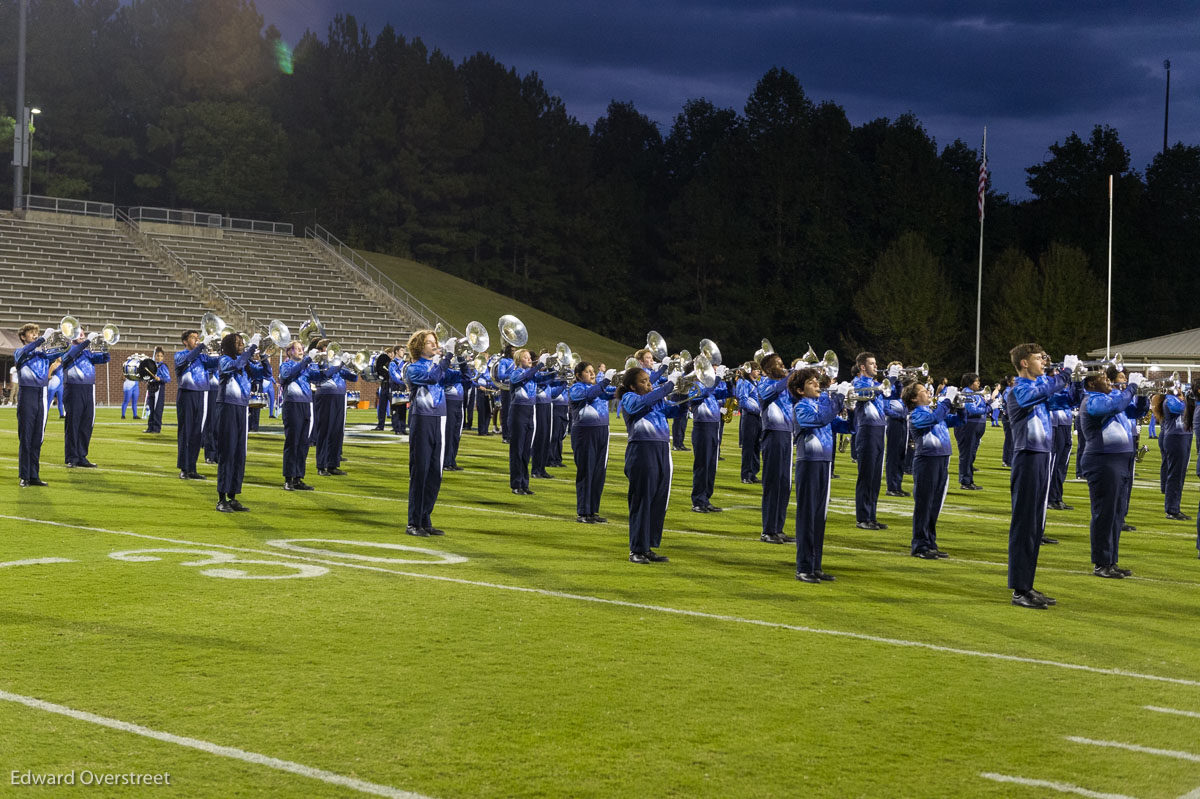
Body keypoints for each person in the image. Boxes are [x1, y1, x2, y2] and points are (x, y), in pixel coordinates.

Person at [1005, 344, 1074, 609]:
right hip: (1027, 457)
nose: (1043, 362)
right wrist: (1064, 374)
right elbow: (1038, 393)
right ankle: (1019, 590)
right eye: (1037, 358)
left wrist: (1076, 381)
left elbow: (1066, 400)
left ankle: (1027, 585)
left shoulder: (1040, 389)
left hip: (1042, 457)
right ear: (1024, 364)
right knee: (1024, 524)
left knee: (1035, 525)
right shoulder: (1019, 389)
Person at [1077, 368, 1142, 578]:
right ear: (1090, 385)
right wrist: (1131, 387)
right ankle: (1101, 563)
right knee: (1104, 514)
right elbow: (1116, 405)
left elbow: (1136, 412)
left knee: (1116, 514)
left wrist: (1141, 394)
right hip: (1103, 461)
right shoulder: (1092, 401)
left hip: (1119, 461)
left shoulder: (1110, 398)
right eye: (1103, 379)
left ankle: (1111, 561)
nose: (1108, 382)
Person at [790, 367, 848, 582]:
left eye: (817, 382)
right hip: (809, 464)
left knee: (819, 517)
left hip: (824, 463)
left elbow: (846, 426)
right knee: (807, 516)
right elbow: (820, 419)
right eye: (812, 383)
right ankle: (803, 567)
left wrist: (854, 408)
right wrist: (837, 399)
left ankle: (816, 565)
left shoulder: (819, 405)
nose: (817, 385)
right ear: (800, 390)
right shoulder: (800, 407)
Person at [617, 365, 680, 564]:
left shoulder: (656, 399)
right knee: (642, 500)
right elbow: (639, 405)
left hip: (661, 449)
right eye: (643, 381)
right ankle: (636, 549)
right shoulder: (630, 398)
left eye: (649, 381)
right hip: (641, 451)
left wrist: (686, 395)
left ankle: (648, 546)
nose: (648, 384)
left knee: (657, 500)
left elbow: (675, 411)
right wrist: (669, 385)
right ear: (632, 386)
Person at [405, 328, 457, 536]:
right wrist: (447, 357)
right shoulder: (413, 368)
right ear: (419, 346)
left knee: (436, 472)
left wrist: (460, 359)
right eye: (429, 342)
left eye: (435, 341)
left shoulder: (437, 365)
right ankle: (413, 523)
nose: (434, 345)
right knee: (421, 471)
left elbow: (462, 378)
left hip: (440, 419)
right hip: (423, 419)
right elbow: (433, 377)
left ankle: (425, 519)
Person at [905, 382, 961, 559]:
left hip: (941, 461)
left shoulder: (932, 411)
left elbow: (959, 420)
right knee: (924, 505)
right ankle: (919, 545)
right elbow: (933, 420)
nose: (928, 392)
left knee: (935, 505)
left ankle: (930, 542)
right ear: (914, 398)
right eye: (923, 391)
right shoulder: (915, 415)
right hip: (927, 462)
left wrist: (960, 407)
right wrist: (946, 402)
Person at [214, 331, 264, 511]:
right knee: (227, 453)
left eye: (242, 342)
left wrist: (263, 356)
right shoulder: (224, 360)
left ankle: (233, 496)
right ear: (229, 345)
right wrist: (251, 349)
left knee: (239, 454)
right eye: (238, 342)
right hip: (227, 407)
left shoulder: (245, 362)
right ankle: (221, 499)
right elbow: (236, 364)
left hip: (242, 409)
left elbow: (264, 373)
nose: (242, 344)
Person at [14, 323, 65, 486]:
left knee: (38, 438)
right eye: (31, 333)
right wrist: (42, 339)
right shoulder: (19, 352)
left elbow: (64, 350)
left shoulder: (44, 355)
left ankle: (34, 475)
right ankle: (24, 476)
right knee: (26, 437)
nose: (35, 335)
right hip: (27, 395)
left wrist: (61, 337)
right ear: (23, 337)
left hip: (42, 396)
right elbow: (24, 352)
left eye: (37, 333)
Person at [568, 361, 615, 523]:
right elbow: (589, 395)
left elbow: (615, 392)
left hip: (602, 431)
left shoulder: (600, 388)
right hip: (584, 432)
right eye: (588, 372)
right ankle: (583, 512)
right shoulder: (576, 388)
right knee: (586, 471)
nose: (592, 374)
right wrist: (606, 381)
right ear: (578, 375)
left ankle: (593, 510)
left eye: (593, 371)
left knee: (598, 473)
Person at [851, 352, 893, 530]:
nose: (876, 366)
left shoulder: (877, 385)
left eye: (875, 363)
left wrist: (895, 380)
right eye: (872, 364)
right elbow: (865, 393)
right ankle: (862, 518)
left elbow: (890, 398)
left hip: (879, 431)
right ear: (862, 367)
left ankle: (871, 516)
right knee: (866, 476)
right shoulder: (858, 383)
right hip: (867, 431)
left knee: (875, 477)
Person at [758, 353, 795, 543]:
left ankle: (778, 528)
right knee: (772, 483)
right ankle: (768, 530)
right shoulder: (764, 383)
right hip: (773, 435)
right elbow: (769, 394)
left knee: (784, 484)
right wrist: (791, 375)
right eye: (778, 364)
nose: (782, 366)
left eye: (783, 363)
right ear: (767, 370)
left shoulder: (785, 386)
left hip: (787, 435)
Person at [60, 329, 111, 468]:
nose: (82, 335)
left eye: (83, 333)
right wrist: (88, 341)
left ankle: (82, 456)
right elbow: (68, 357)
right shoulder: (66, 349)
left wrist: (105, 345)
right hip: (73, 389)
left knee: (86, 424)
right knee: (73, 424)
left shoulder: (88, 352)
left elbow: (105, 358)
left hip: (89, 389)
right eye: (78, 333)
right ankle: (72, 457)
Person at [310, 339, 358, 476]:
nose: (333, 352)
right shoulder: (319, 362)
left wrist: (355, 366)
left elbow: (353, 378)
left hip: (339, 397)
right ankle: (321, 465)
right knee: (325, 430)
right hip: (325, 396)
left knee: (337, 431)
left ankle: (333, 464)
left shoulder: (336, 363)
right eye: (329, 348)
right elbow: (326, 374)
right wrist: (341, 362)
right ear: (322, 350)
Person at [175, 330, 219, 480]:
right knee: (185, 433)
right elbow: (186, 360)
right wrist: (201, 347)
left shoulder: (203, 357)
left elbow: (218, 363)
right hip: (187, 395)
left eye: (197, 338)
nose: (196, 340)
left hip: (202, 395)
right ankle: (183, 468)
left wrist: (223, 349)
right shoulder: (179, 355)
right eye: (193, 338)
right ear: (185, 342)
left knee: (197, 434)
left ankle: (192, 468)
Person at [687, 367, 730, 513]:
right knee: (702, 465)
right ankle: (698, 501)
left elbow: (728, 393)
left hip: (713, 427)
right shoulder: (693, 387)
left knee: (711, 466)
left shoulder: (710, 389)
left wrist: (729, 381)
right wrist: (717, 378)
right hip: (702, 428)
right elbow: (703, 394)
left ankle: (706, 498)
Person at [507, 348, 547, 495]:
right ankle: (516, 484)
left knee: (526, 451)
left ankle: (524, 483)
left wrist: (555, 369)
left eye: (530, 357)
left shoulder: (533, 375)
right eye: (525, 358)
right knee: (517, 450)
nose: (530, 360)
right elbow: (524, 377)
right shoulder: (515, 373)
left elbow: (547, 379)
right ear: (518, 361)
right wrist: (538, 366)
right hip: (518, 413)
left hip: (531, 412)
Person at [279, 339, 317, 491]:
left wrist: (334, 364)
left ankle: (298, 478)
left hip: (306, 404)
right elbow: (288, 376)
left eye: (302, 348)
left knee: (303, 443)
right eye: (298, 349)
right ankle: (288, 478)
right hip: (292, 405)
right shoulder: (285, 365)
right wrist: (307, 360)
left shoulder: (306, 367)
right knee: (292, 442)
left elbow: (321, 377)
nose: (302, 351)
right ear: (289, 352)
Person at [1155, 386, 1195, 521]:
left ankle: (1174, 507)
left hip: (1184, 437)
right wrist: (1188, 400)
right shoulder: (1169, 400)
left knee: (1179, 474)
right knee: (1175, 474)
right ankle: (1172, 509)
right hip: (1176, 438)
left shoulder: (1176, 400)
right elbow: (1182, 409)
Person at [1046, 360, 1078, 511]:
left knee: (1062, 466)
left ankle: (1057, 497)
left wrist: (1076, 380)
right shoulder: (1048, 384)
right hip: (1054, 425)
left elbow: (1071, 397)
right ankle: (1050, 498)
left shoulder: (1060, 384)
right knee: (1053, 465)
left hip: (1065, 424)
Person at [953, 373, 989, 490]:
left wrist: (989, 402)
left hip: (975, 427)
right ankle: (965, 481)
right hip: (967, 427)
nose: (979, 383)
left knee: (971, 454)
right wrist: (989, 408)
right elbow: (972, 410)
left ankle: (969, 480)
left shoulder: (976, 394)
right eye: (976, 381)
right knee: (966, 455)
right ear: (970, 383)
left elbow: (981, 407)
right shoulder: (966, 393)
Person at [442, 349, 473, 472]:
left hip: (459, 404)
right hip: (449, 404)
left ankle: (451, 460)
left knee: (456, 435)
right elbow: (463, 375)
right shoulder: (446, 372)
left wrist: (461, 358)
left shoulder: (454, 372)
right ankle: (445, 461)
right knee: (449, 434)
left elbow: (467, 377)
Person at [883, 362, 910, 497]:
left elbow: (901, 395)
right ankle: (891, 487)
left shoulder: (898, 387)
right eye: (898, 371)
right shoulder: (886, 388)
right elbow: (885, 407)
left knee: (901, 455)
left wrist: (899, 381)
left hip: (903, 422)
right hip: (894, 422)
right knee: (893, 456)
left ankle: (898, 485)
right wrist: (900, 416)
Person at [735, 362, 762, 484]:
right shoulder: (744, 383)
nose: (758, 371)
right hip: (749, 417)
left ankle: (753, 473)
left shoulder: (757, 383)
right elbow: (743, 402)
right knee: (748, 447)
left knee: (757, 446)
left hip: (757, 417)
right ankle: (745, 474)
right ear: (749, 370)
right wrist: (757, 410)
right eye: (756, 369)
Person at [143, 348, 170, 433]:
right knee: (151, 408)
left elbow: (168, 378)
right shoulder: (152, 366)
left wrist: (160, 378)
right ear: (154, 356)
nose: (159, 357)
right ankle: (150, 427)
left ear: (163, 358)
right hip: (151, 388)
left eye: (161, 356)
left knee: (157, 409)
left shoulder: (163, 366)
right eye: (157, 356)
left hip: (158, 388)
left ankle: (156, 428)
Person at [247, 349, 273, 432]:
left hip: (257, 385)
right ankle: (248, 425)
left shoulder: (259, 364)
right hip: (248, 385)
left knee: (255, 406)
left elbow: (268, 372)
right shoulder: (249, 362)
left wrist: (263, 357)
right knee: (248, 408)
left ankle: (254, 427)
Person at [202, 351, 220, 465]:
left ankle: (218, 454)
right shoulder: (208, 361)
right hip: (211, 392)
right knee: (211, 424)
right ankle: (210, 454)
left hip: (223, 394)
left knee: (220, 426)